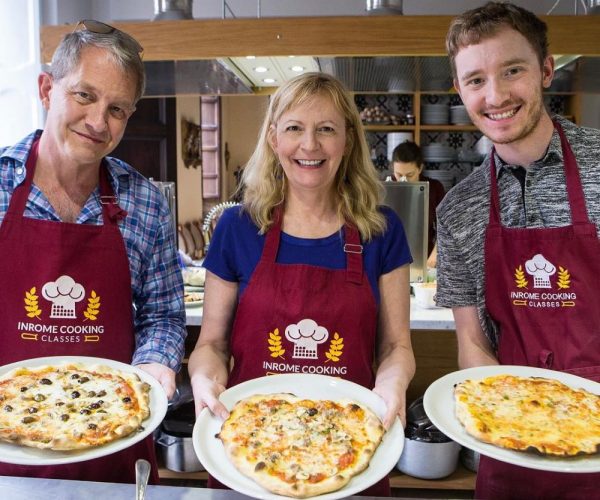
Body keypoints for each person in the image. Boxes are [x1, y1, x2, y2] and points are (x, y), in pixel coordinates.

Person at [188, 72, 415, 496]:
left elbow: (396, 348)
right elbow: (211, 346)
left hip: (348, 439)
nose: (309, 145)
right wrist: (204, 380)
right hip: (250, 442)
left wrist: (393, 384)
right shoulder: (237, 228)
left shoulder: (382, 231)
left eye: (326, 129)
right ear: (274, 138)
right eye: (295, 128)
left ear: (347, 141)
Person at [0, 20, 186, 483]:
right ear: (47, 89)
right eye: (84, 96)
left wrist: (153, 367)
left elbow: (163, 315)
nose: (99, 122)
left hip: (113, 437)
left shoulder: (143, 201)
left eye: (118, 109)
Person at [436, 3, 600, 499]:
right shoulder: (458, 209)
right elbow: (473, 345)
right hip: (509, 443)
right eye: (475, 80)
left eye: (512, 70)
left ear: (546, 69)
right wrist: (515, 423)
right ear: (461, 91)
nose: (496, 95)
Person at [391, 141, 446, 268]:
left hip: (426, 261)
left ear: (420, 168)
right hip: (391, 262)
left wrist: (435, 254)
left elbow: (445, 227)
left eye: (410, 175)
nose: (403, 180)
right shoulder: (386, 188)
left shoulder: (435, 189)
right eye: (398, 175)